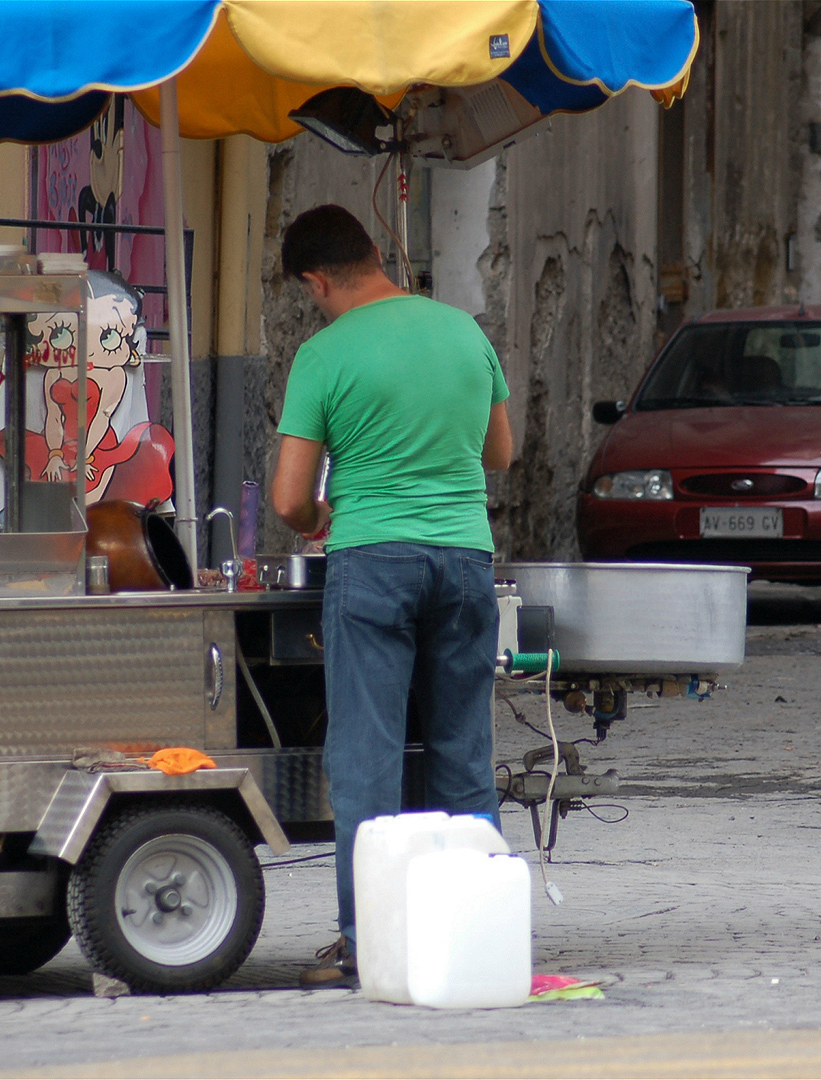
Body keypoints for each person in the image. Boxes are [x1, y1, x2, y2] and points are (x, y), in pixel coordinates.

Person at [270, 205, 513, 987]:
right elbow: (500, 453)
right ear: (375, 254)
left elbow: (287, 501)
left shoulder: (323, 352)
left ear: (316, 279)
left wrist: (319, 517)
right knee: (462, 755)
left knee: (366, 761)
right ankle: (477, 931)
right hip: (465, 560)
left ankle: (366, 941)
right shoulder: (463, 331)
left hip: (372, 561)